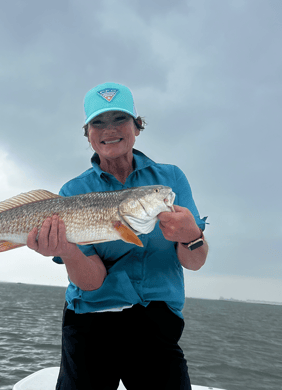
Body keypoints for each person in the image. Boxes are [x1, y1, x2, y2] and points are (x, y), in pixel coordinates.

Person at [26, 82, 208, 390]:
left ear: (137, 126)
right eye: (98, 122)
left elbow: (195, 262)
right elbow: (92, 281)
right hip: (90, 324)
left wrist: (192, 235)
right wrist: (68, 251)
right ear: (88, 133)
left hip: (157, 323)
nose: (109, 129)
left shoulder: (170, 179)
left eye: (119, 119)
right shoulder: (73, 192)